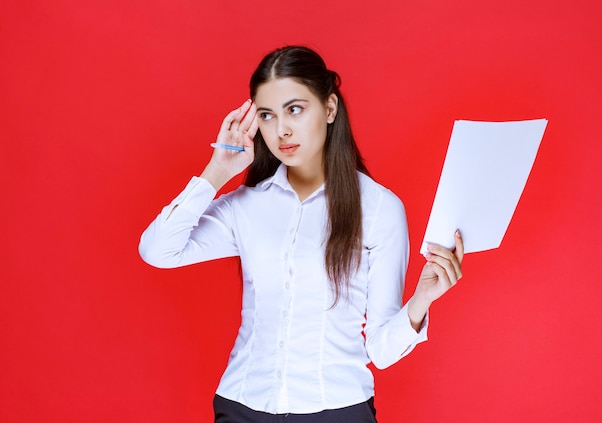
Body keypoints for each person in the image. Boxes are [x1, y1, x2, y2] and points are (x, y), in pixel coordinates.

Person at [139, 45, 463, 423]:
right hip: (243, 405)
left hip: (338, 410)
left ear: (329, 108)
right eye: (267, 115)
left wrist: (422, 299)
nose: (281, 130)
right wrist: (217, 171)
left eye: (295, 109)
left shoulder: (378, 208)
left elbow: (381, 350)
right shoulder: (247, 206)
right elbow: (158, 250)